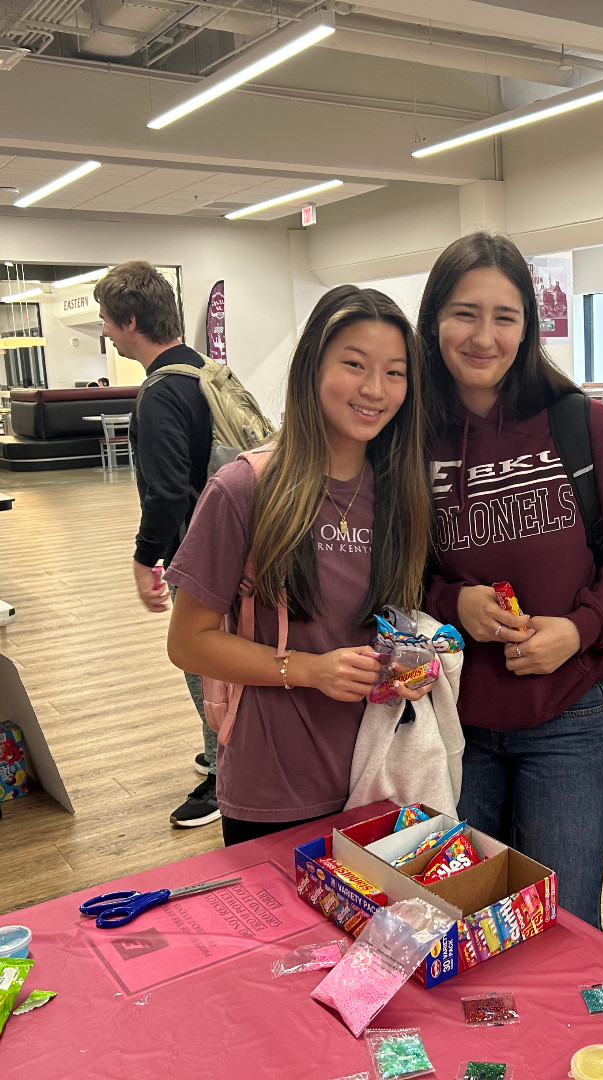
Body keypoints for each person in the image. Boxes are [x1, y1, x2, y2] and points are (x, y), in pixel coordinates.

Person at [418, 232, 603, 930]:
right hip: (452, 719)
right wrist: (451, 602)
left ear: (529, 327)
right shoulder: (406, 438)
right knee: (457, 919)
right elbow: (389, 571)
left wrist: (578, 631)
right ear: (433, 320)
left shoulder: (590, 427)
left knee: (566, 926)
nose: (483, 336)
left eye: (505, 316)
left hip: (569, 718)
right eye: (464, 313)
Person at [165, 286, 432, 846]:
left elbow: (397, 622)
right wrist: (309, 670)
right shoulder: (244, 488)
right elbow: (188, 643)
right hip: (274, 785)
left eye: (394, 373)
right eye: (354, 364)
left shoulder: (401, 492)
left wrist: (414, 663)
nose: (374, 389)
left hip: (381, 778)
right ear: (312, 366)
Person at [94, 261, 219, 828]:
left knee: (200, 659)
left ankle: (225, 775)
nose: (104, 331)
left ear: (131, 321)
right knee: (216, 658)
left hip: (201, 555)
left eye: (106, 320)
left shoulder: (160, 393)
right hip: (231, 545)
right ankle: (220, 749)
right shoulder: (204, 372)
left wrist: (145, 557)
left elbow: (167, 492)